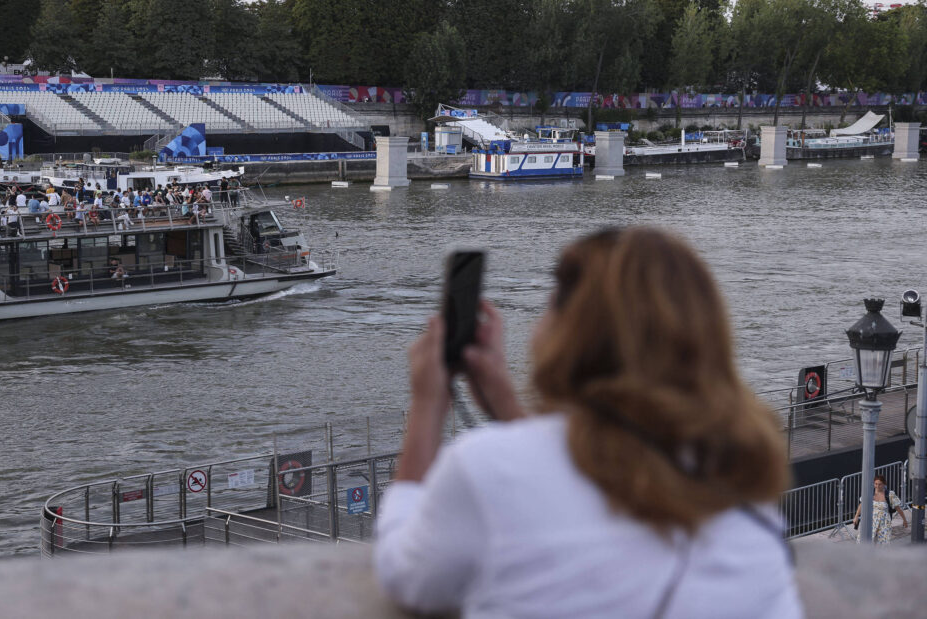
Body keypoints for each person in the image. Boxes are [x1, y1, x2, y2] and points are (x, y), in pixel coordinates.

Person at [375, 227, 800, 618]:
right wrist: (507, 405)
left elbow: (406, 575)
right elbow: (606, 469)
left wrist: (427, 403)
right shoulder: (736, 464)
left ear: (568, 333)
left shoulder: (483, 465)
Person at [853, 474, 908, 544]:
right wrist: (856, 516)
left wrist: (904, 520)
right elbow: (861, 505)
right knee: (864, 540)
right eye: (876, 484)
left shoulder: (890, 494)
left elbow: (898, 509)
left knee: (883, 543)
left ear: (884, 484)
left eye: (880, 484)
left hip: (884, 522)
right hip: (871, 520)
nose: (877, 486)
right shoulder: (869, 492)